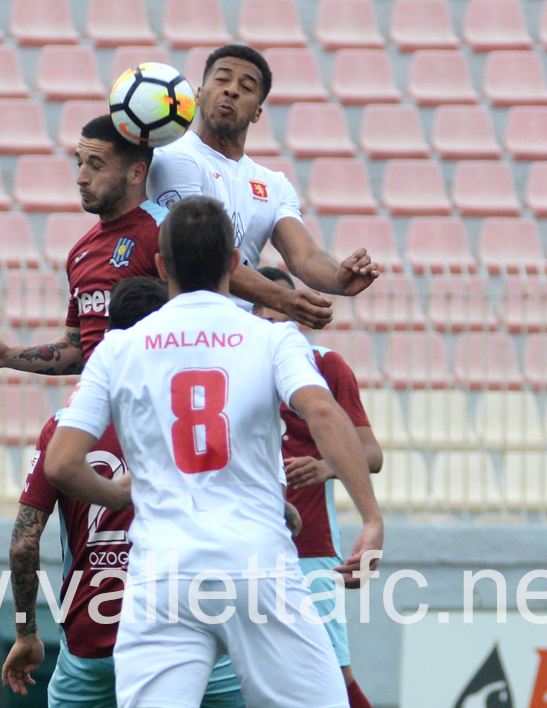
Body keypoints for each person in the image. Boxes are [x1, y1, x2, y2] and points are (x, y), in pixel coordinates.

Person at [43, 197, 385, 708]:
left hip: (162, 571)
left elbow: (62, 464)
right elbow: (324, 413)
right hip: (257, 563)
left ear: (160, 265)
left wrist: (116, 495)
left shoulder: (119, 349)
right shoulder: (272, 339)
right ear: (233, 264)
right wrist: (371, 516)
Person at [3, 277, 245, 708]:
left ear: (111, 336)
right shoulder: (202, 423)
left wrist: (26, 633)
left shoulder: (65, 429)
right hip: (190, 639)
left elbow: (24, 545)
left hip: (93, 644)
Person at [147, 44, 379, 330]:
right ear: (198, 94)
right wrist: (285, 300)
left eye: (246, 86)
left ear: (257, 112)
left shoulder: (274, 184)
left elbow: (304, 254)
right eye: (221, 80)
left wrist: (337, 279)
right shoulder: (173, 158)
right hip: (180, 328)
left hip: (240, 333)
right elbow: (203, 257)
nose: (231, 90)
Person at [253, 266, 383, 708]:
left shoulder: (325, 366)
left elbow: (372, 454)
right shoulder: (234, 370)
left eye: (278, 319)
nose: (270, 329)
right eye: (261, 320)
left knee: (334, 674)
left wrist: (327, 466)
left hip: (311, 548)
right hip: (244, 548)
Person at [0, 114, 165, 375]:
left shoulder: (165, 233)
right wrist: (8, 355)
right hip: (99, 400)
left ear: (136, 173)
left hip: (148, 403)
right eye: (79, 163)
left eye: (96, 165)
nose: (81, 177)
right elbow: (76, 347)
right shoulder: (82, 251)